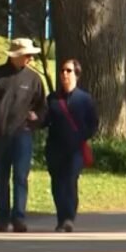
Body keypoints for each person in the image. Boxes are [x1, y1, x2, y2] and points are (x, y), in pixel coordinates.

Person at [0, 38, 47, 233]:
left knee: (20, 177)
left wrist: (35, 120)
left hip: (22, 135)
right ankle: (2, 218)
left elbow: (42, 107)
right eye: (27, 54)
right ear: (15, 55)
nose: (30, 58)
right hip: (0, 134)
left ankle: (19, 218)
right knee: (1, 178)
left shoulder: (33, 79)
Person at [43, 59, 98, 232]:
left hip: (75, 150)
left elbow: (93, 123)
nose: (64, 74)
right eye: (62, 71)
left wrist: (81, 136)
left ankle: (68, 218)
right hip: (55, 148)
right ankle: (61, 218)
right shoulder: (52, 99)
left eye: (68, 71)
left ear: (76, 74)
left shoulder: (85, 99)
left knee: (70, 181)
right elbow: (44, 120)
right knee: (57, 184)